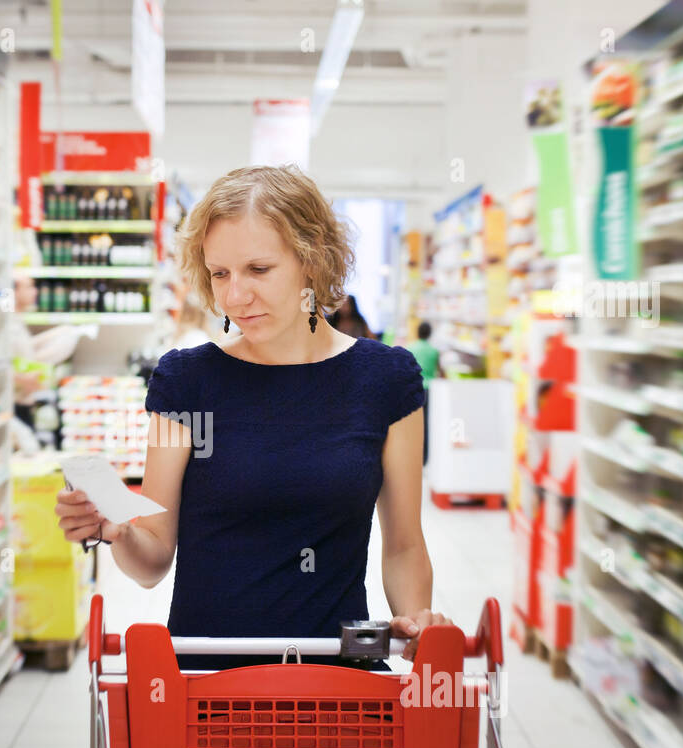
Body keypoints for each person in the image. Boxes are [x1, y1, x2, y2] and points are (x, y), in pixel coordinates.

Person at [53, 164, 450, 669]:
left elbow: (403, 546)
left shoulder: (386, 379)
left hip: (338, 687)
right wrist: (117, 530)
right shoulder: (187, 380)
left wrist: (417, 621)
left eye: (258, 270)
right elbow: (151, 559)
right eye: (220, 273)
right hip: (204, 689)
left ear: (312, 262)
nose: (235, 295)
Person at [406, 321, 441, 465]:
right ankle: (424, 457)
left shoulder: (410, 348)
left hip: (413, 388)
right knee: (426, 424)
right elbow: (440, 370)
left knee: (412, 424)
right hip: (429, 389)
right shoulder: (434, 351)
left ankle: (411, 454)